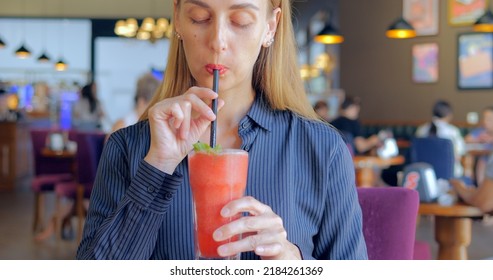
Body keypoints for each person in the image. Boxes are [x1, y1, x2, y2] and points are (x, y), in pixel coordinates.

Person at [77, 0, 367, 260]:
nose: (217, 41)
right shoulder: (128, 148)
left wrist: (293, 262)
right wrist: (158, 165)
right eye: (200, 18)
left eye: (240, 20)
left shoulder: (323, 149)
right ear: (177, 18)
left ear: (270, 26)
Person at [415, 100, 465, 178]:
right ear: (449, 115)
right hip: (450, 177)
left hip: (424, 175)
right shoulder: (453, 132)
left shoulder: (421, 130)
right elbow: (458, 156)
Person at [465, 106, 493, 185]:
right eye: (484, 118)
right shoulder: (481, 130)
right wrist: (478, 139)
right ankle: (479, 187)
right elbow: (467, 139)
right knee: (481, 160)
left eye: (489, 119)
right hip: (483, 158)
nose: (485, 121)